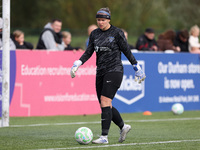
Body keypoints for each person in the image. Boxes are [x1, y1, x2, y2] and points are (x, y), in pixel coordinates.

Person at [70, 7, 146, 144]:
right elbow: (89, 52)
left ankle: (104, 137)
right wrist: (78, 62)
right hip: (100, 71)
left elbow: (127, 51)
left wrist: (136, 66)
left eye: (103, 20)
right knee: (105, 104)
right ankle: (123, 127)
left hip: (115, 70)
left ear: (108, 20)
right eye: (98, 20)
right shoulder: (94, 34)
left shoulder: (117, 33)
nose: (100, 22)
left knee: (105, 101)